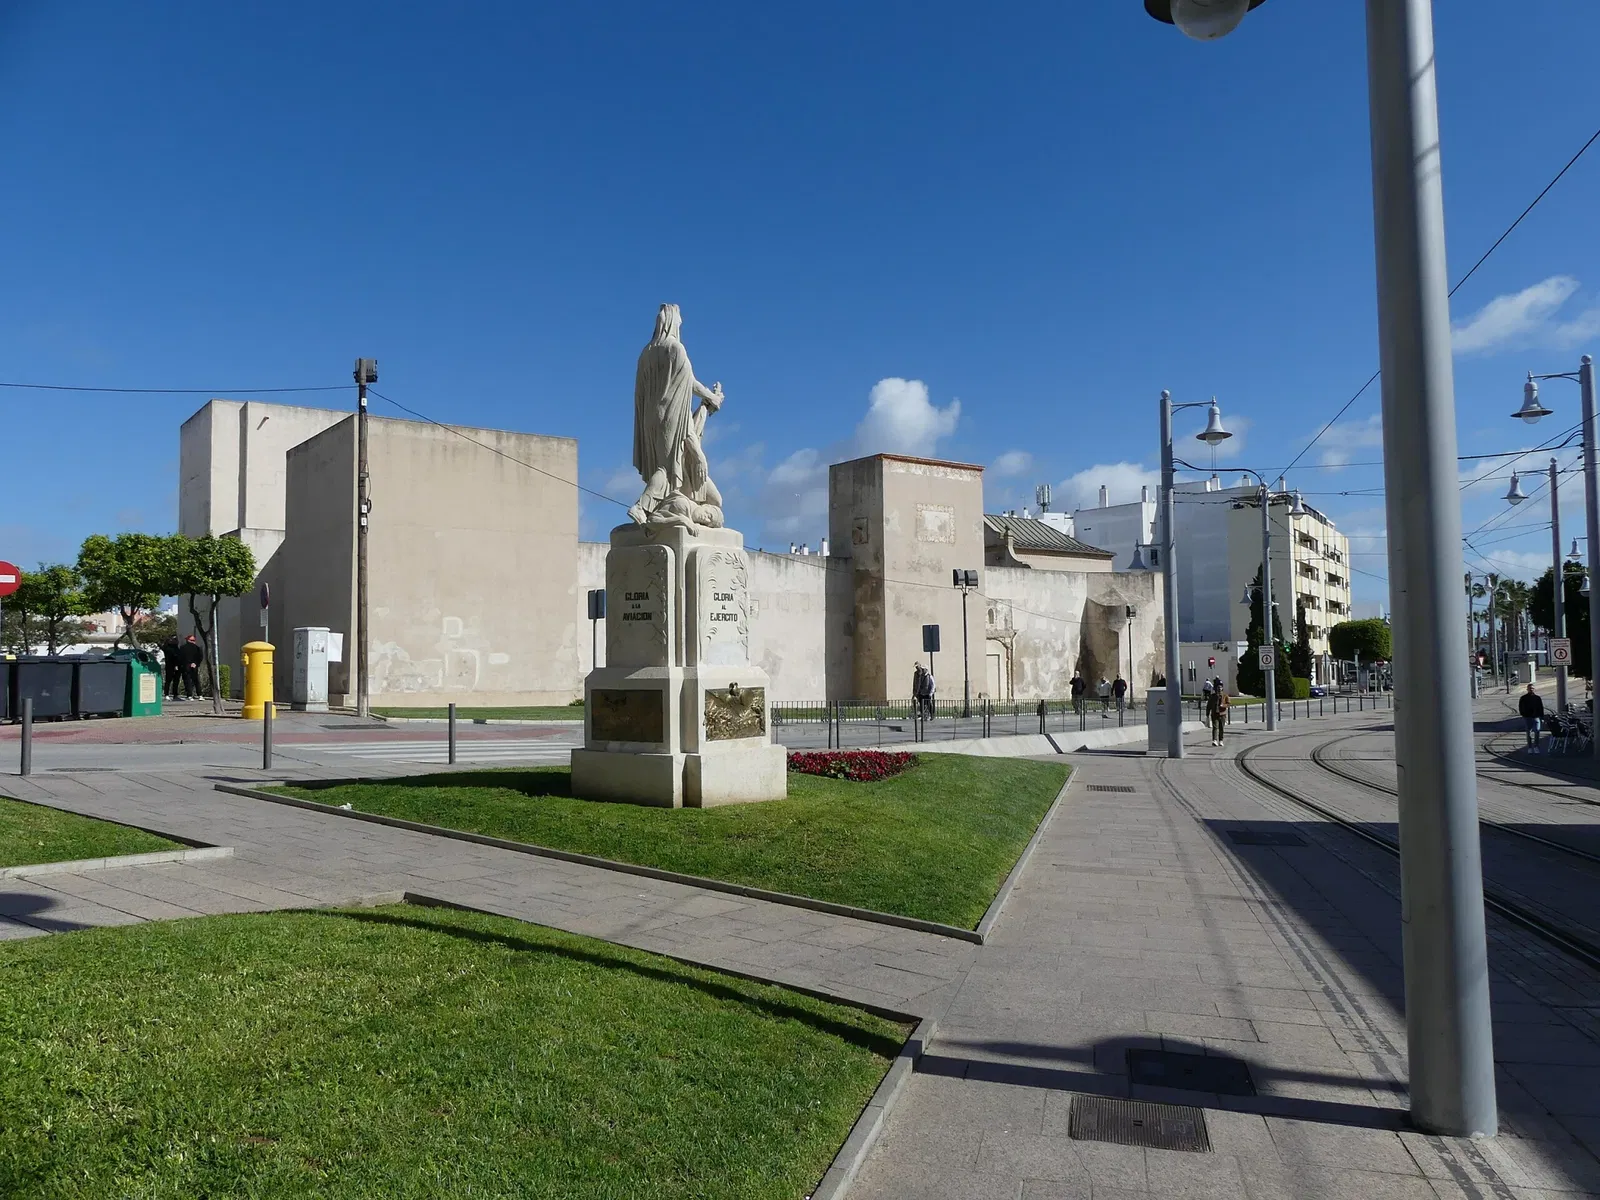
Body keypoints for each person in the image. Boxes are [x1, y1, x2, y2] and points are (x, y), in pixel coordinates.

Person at [178, 634, 205, 700]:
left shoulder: (182, 648)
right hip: (194, 666)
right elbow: (200, 657)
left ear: (187, 640)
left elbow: (181, 658)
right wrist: (195, 663)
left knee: (187, 681)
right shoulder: (197, 648)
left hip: (186, 666)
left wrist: (183, 665)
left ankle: (189, 695)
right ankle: (200, 695)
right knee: (196, 680)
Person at [1519, 683, 1545, 751]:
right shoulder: (1523, 698)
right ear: (1527, 689)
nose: (1531, 689)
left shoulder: (1537, 698)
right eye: (1530, 688)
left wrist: (1542, 717)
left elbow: (1541, 708)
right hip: (1527, 717)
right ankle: (1530, 747)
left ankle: (1536, 746)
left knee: (1537, 731)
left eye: (1532, 688)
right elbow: (1520, 707)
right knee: (1528, 733)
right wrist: (1523, 714)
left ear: (1534, 689)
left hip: (1536, 717)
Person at [161, 634, 183, 700]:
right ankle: (172, 694)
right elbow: (175, 657)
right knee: (173, 681)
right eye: (175, 639)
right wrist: (176, 665)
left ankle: (168, 694)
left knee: (170, 680)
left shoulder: (167, 648)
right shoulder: (173, 649)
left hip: (170, 666)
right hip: (173, 666)